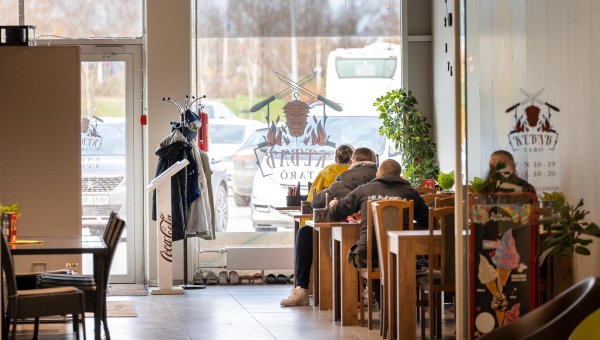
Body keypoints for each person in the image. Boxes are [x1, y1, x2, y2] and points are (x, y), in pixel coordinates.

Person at [280, 147, 377, 307]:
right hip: (376, 239)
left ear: (352, 162)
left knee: (304, 232)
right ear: (374, 162)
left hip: (340, 236)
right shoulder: (382, 180)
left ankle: (302, 289)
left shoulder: (342, 181)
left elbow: (315, 202)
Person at [328, 159, 429, 269]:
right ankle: (395, 284)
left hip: (368, 255)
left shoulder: (363, 190)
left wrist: (334, 206)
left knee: (359, 254)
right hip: (402, 254)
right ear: (399, 176)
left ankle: (373, 286)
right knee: (407, 260)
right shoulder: (411, 193)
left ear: (377, 175)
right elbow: (427, 221)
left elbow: (334, 213)